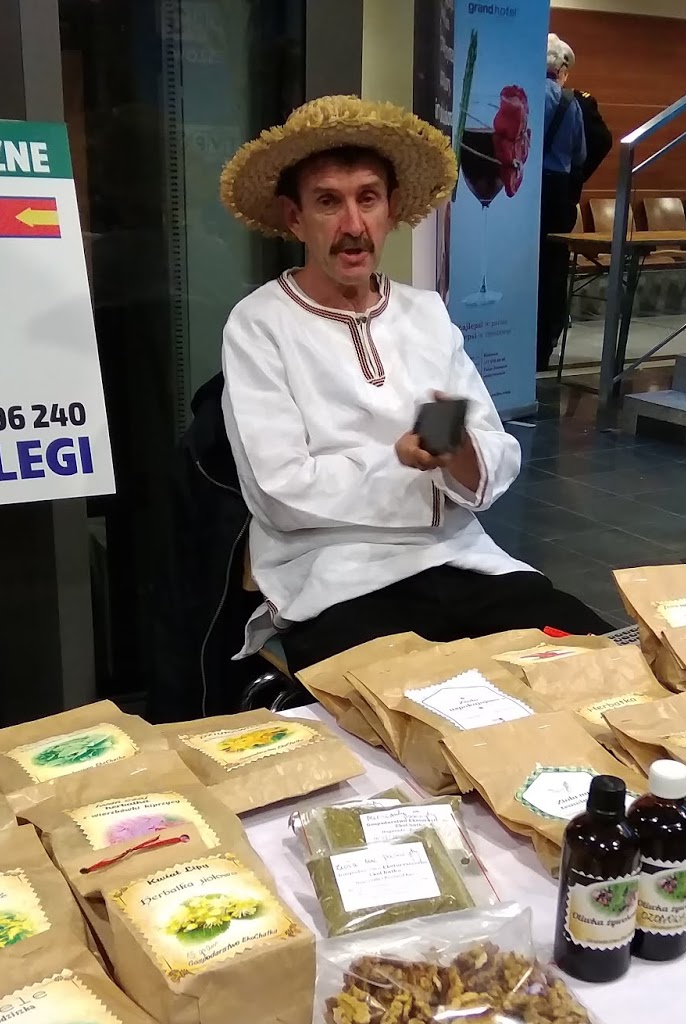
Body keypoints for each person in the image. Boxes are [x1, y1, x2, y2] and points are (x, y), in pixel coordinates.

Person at [217, 96, 612, 675]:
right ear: (295, 218)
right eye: (328, 202)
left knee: (598, 662)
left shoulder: (425, 312)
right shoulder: (259, 324)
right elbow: (279, 490)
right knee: (425, 707)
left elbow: (495, 450)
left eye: (368, 199)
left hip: (463, 559)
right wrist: (404, 466)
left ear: (392, 209)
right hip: (335, 580)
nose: (353, 226)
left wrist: (460, 455)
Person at [538, 33, 587, 370]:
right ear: (561, 69)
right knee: (554, 268)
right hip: (558, 193)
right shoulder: (571, 103)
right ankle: (547, 342)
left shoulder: (525, 96)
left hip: (527, 192)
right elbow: (580, 154)